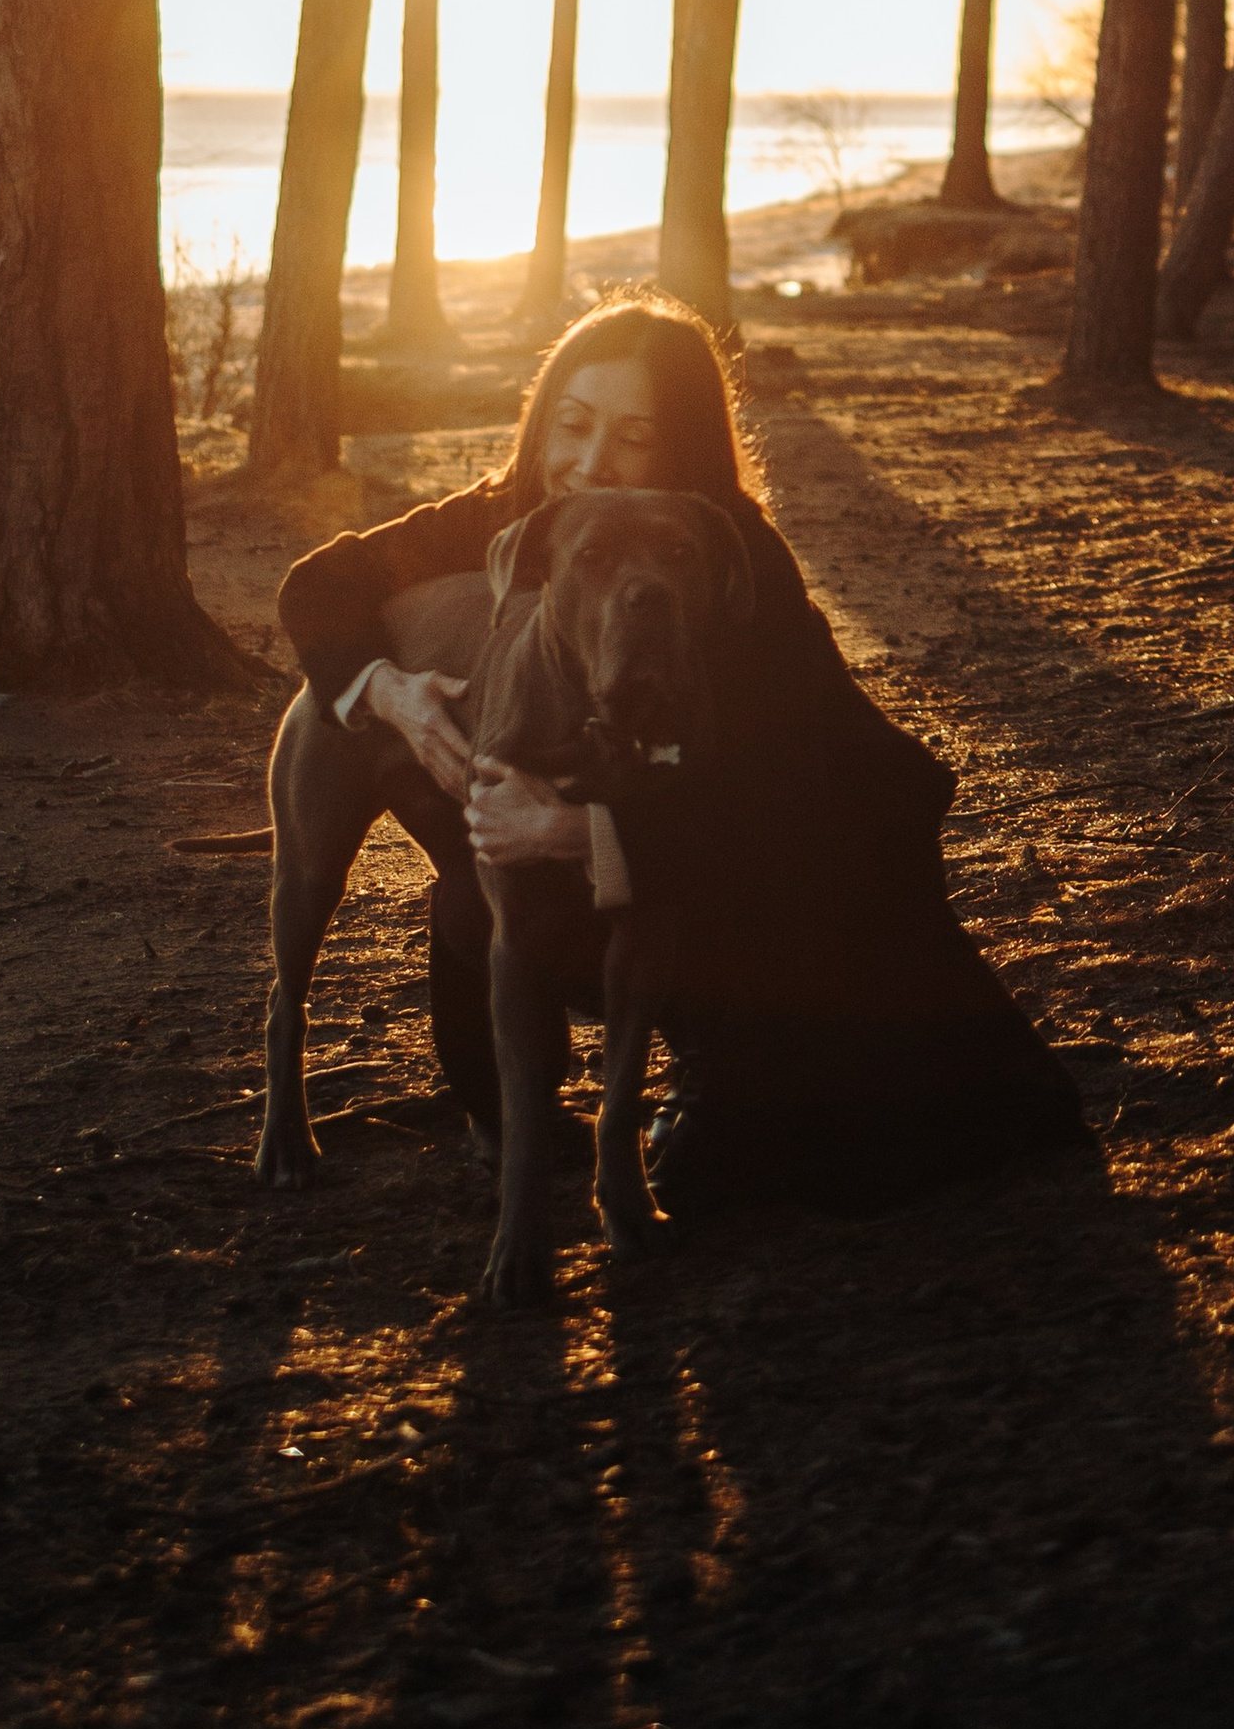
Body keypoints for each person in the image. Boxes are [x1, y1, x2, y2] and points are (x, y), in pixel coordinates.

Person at [276, 293, 1084, 1210]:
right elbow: (321, 584)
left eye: (632, 438)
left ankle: (723, 1064)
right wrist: (390, 693)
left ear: (683, 452)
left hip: (811, 868)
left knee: (785, 1163)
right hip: (653, 837)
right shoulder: (521, 511)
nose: (587, 464)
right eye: (570, 426)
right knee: (482, 874)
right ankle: (512, 1103)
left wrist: (578, 830)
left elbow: (770, 794)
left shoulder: (733, 560)